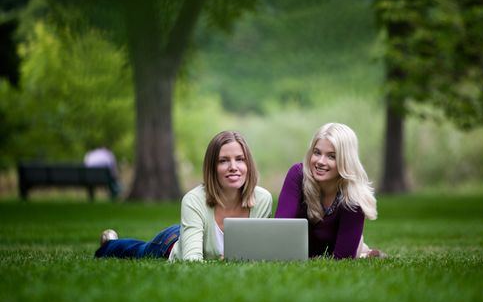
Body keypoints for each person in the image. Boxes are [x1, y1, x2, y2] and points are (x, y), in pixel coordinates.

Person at [95, 131, 273, 261]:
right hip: (173, 241)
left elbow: (260, 253)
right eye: (223, 160)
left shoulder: (262, 200)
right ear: (211, 168)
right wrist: (224, 263)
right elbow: (192, 262)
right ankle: (110, 243)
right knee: (141, 250)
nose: (233, 166)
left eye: (240, 159)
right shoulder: (194, 200)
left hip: (194, 228)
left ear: (248, 164)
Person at [275, 123, 385, 259]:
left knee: (355, 251)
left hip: (336, 249)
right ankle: (364, 251)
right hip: (309, 252)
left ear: (345, 160)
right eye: (317, 153)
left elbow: (343, 258)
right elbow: (279, 230)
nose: (321, 161)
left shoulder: (354, 198)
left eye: (331, 156)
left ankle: (363, 251)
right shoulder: (298, 175)